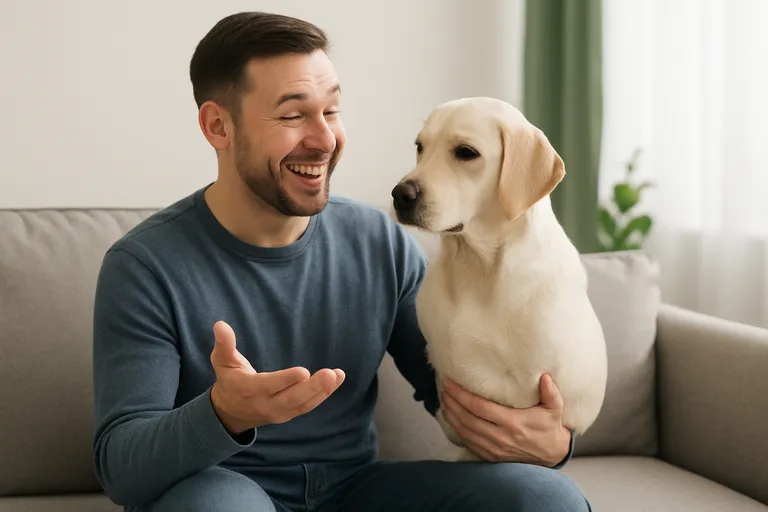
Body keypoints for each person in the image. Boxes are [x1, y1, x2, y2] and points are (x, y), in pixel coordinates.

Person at [91, 11, 591, 512]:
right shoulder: (144, 266)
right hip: (223, 489)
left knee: (544, 498)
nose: (325, 139)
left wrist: (550, 443)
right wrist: (222, 413)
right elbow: (122, 471)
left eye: (330, 110)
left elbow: (455, 393)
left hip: (356, 489)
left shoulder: (379, 242)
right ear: (218, 126)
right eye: (293, 115)